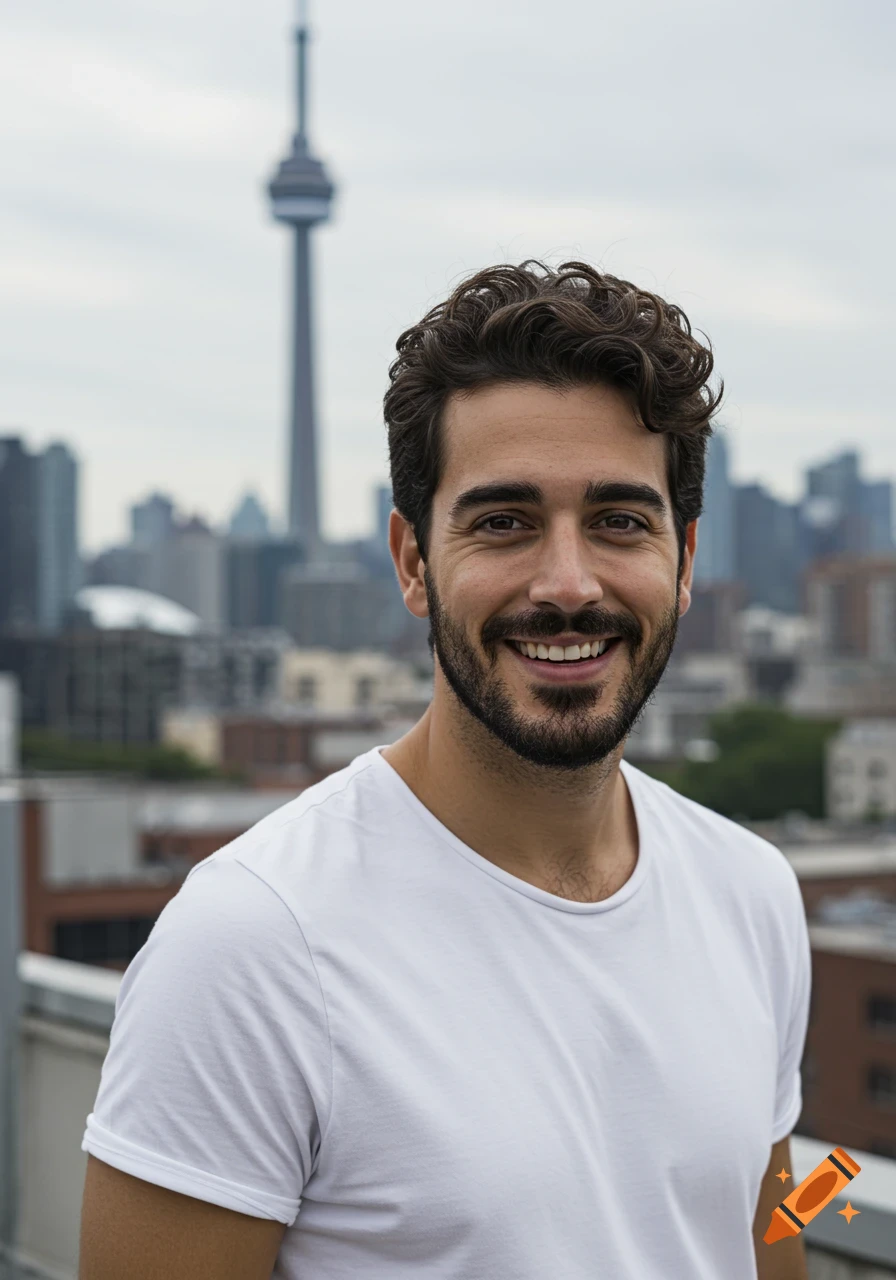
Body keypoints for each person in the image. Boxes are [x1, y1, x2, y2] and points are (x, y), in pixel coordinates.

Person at [79, 261, 811, 1280]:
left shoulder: (750, 891)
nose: (566, 582)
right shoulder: (252, 944)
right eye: (503, 520)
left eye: (618, 520)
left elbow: (762, 1231)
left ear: (682, 561)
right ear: (413, 561)